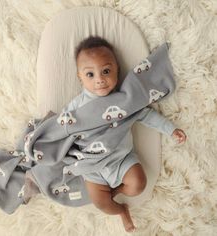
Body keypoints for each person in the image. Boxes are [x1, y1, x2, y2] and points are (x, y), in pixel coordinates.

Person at [62, 36, 187, 233]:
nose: (100, 79)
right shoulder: (76, 106)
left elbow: (147, 115)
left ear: (117, 71)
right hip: (92, 165)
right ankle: (121, 210)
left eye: (105, 71)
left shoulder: (125, 100)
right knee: (100, 203)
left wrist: (170, 129)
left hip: (121, 159)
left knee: (138, 184)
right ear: (80, 77)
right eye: (90, 74)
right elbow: (62, 129)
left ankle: (116, 190)